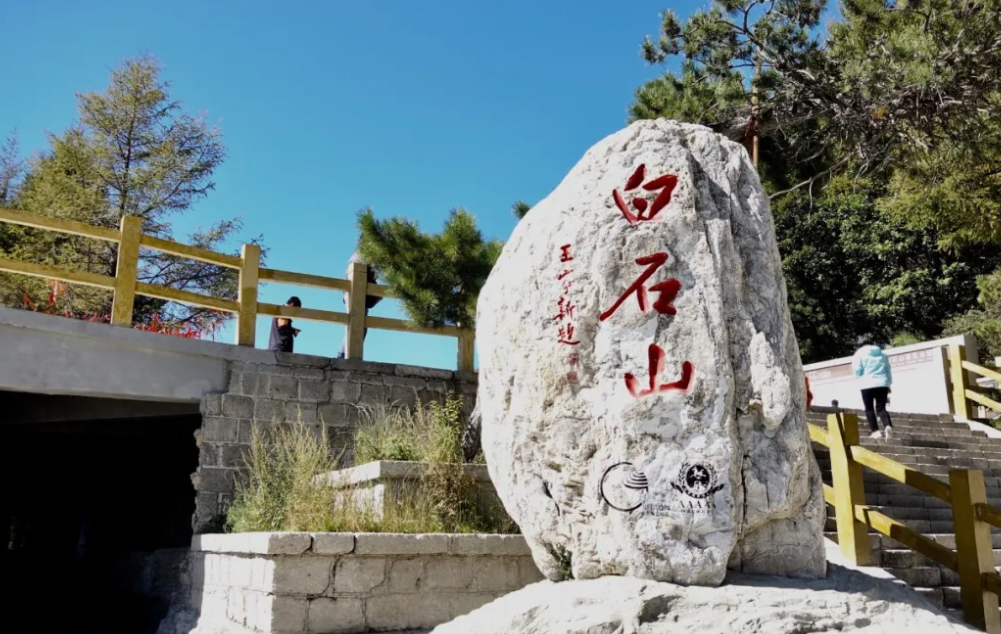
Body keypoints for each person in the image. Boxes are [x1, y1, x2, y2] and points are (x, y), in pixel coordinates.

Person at [337, 252, 382, 358]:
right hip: (357, 294)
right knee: (357, 327)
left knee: (359, 327)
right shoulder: (362, 255)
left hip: (357, 294)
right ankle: (343, 354)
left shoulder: (360, 255)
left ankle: (343, 354)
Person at [852, 341, 894, 440]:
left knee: (869, 408)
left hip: (866, 384)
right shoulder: (883, 354)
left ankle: (875, 431)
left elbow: (858, 370)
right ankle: (887, 425)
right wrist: (888, 384)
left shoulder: (859, 354)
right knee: (881, 408)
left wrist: (859, 376)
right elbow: (888, 370)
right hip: (882, 384)